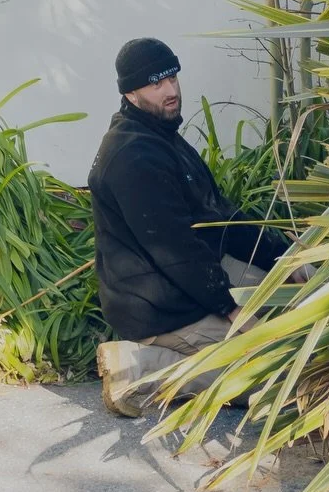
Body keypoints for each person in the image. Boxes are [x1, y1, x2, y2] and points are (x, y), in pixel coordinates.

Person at [89, 37, 304, 417]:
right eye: (157, 84)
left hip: (194, 275)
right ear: (131, 92)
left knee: (296, 302)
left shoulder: (161, 136)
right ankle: (142, 369)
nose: (171, 91)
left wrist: (284, 256)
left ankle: (168, 355)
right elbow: (175, 251)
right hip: (159, 303)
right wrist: (230, 309)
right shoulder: (133, 157)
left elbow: (220, 219)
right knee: (277, 374)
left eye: (173, 78)